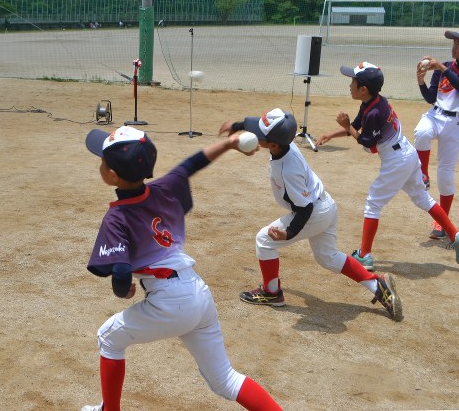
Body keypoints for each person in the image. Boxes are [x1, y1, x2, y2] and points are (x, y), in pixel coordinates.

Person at [80, 126, 280, 411]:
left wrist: (124, 292)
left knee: (108, 337)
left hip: (169, 301)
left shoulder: (117, 216)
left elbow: (121, 273)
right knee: (225, 379)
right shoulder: (165, 187)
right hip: (198, 293)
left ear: (112, 175)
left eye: (102, 161)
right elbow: (193, 163)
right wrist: (229, 143)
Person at [220, 108, 402, 321]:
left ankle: (271, 293)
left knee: (264, 240)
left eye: (259, 135)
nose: (254, 135)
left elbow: (304, 209)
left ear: (273, 144)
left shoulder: (287, 170)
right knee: (328, 257)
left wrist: (289, 233)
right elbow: (261, 125)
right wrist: (237, 126)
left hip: (313, 213)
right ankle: (377, 284)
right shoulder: (286, 143)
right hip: (326, 205)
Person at [315, 62, 459, 267]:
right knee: (422, 198)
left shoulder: (374, 112)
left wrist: (346, 126)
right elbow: (356, 126)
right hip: (407, 154)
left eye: (353, 82)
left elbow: (366, 142)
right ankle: (455, 235)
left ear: (363, 89)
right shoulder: (373, 101)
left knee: (373, 204)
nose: (350, 85)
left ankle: (364, 255)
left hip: (396, 160)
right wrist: (332, 134)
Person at [413, 29, 459, 240]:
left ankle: (442, 222)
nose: (454, 47)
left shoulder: (444, 68)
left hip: (455, 123)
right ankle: (423, 173)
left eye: (458, 44)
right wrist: (421, 81)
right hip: (436, 114)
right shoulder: (445, 68)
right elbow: (431, 98)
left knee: (445, 174)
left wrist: (441, 67)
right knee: (421, 132)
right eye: (454, 43)